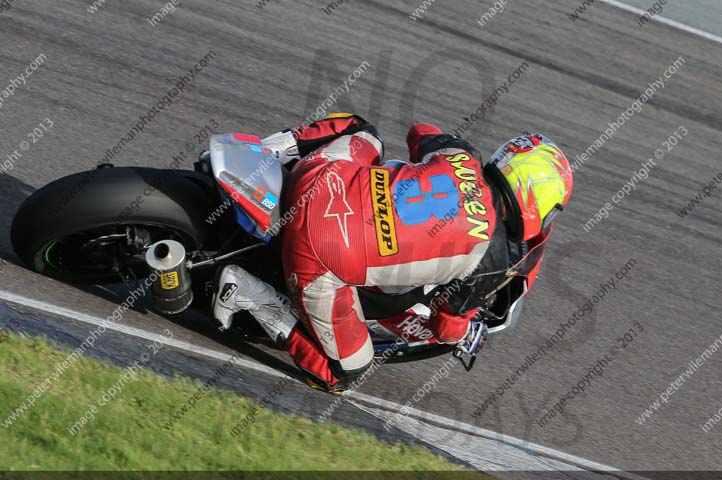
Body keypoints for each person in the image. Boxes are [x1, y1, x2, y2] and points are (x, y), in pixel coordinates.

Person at [212, 113, 573, 392]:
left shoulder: (461, 156)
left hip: (319, 176)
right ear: (536, 196)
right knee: (345, 374)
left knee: (361, 129)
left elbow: (419, 131)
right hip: (316, 255)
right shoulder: (490, 263)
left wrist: (449, 154)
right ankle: (249, 292)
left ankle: (263, 154)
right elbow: (445, 327)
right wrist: (466, 331)